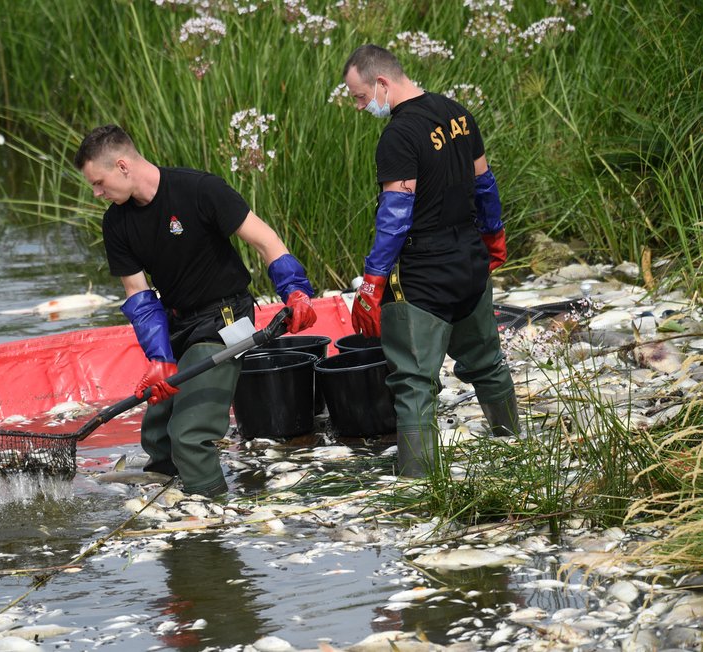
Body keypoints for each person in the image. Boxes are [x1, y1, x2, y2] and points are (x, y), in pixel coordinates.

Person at [73, 125, 317, 497]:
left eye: (99, 182)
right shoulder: (116, 222)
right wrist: (159, 359)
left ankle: (212, 525)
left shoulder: (199, 189)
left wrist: (295, 292)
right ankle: (169, 516)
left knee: (188, 437)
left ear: (122, 166)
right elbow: (139, 297)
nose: (96, 193)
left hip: (226, 320)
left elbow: (266, 241)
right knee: (157, 434)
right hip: (178, 324)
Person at [341, 45, 519, 477]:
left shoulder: (399, 137)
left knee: (414, 384)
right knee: (487, 364)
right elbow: (484, 184)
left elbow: (395, 217)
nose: (362, 107)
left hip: (423, 275)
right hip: (470, 264)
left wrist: (371, 283)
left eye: (361, 97)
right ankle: (515, 450)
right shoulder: (458, 114)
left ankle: (418, 486)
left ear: (382, 83)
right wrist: (494, 235)